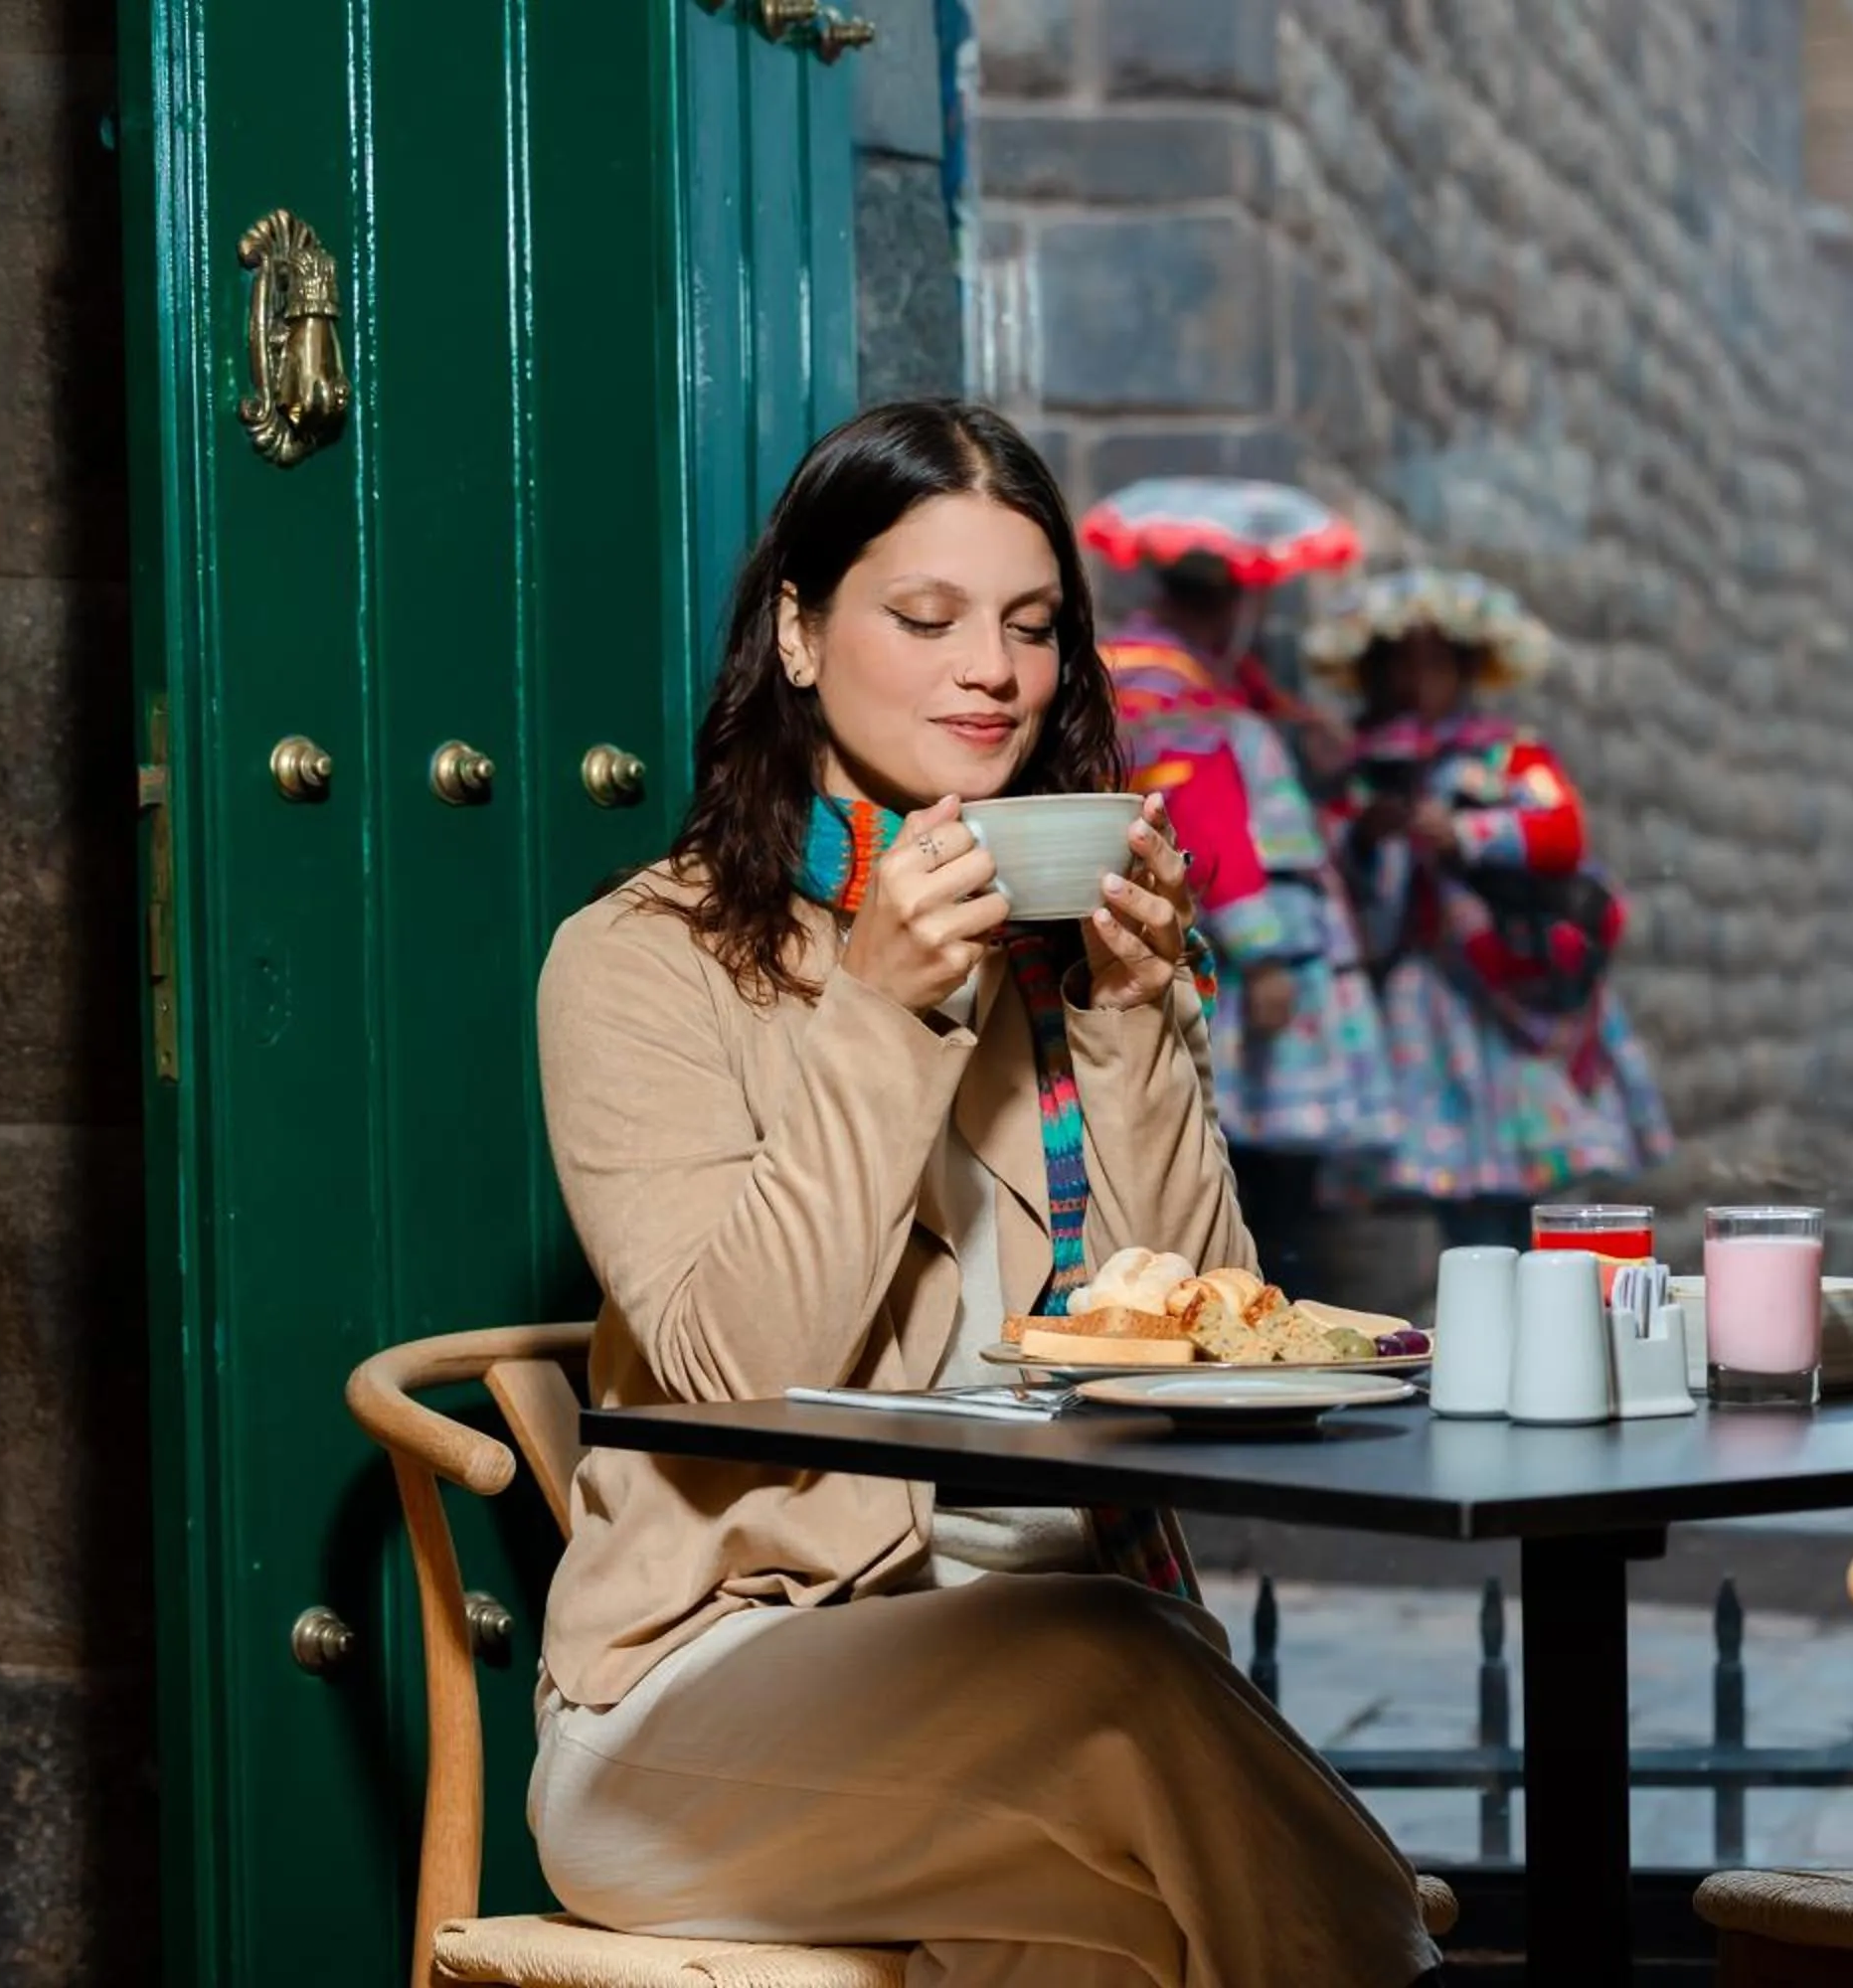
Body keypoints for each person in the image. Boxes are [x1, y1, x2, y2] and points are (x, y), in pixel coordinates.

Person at [527, 401, 1438, 1988]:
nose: (991, 671)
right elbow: (739, 1369)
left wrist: (1133, 1022)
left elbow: (1215, 1336)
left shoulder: (1069, 959)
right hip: (706, 1709)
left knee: (1131, 1937)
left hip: (1062, 1699)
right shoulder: (641, 962)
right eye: (926, 616)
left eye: (1030, 625)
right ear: (799, 634)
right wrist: (878, 1012)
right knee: (1121, 1676)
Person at [1307, 569, 1673, 1248]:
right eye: (1401, 665)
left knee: (1524, 1190)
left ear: (1465, 670)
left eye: (1435, 664)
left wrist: (1467, 833)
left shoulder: (1509, 754)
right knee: (1468, 1198)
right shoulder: (1359, 771)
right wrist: (1370, 836)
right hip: (1431, 1005)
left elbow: (1562, 831)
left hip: (1512, 987)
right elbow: (1346, 883)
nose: (1417, 682)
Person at [1100, 552, 1396, 1295]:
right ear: (1227, 604)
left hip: (1253, 936)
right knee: (1259, 1161)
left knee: (1263, 1159)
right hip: (1247, 953)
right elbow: (1206, 828)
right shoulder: (1173, 690)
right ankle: (1253, 1298)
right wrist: (1263, 957)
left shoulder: (1194, 685)